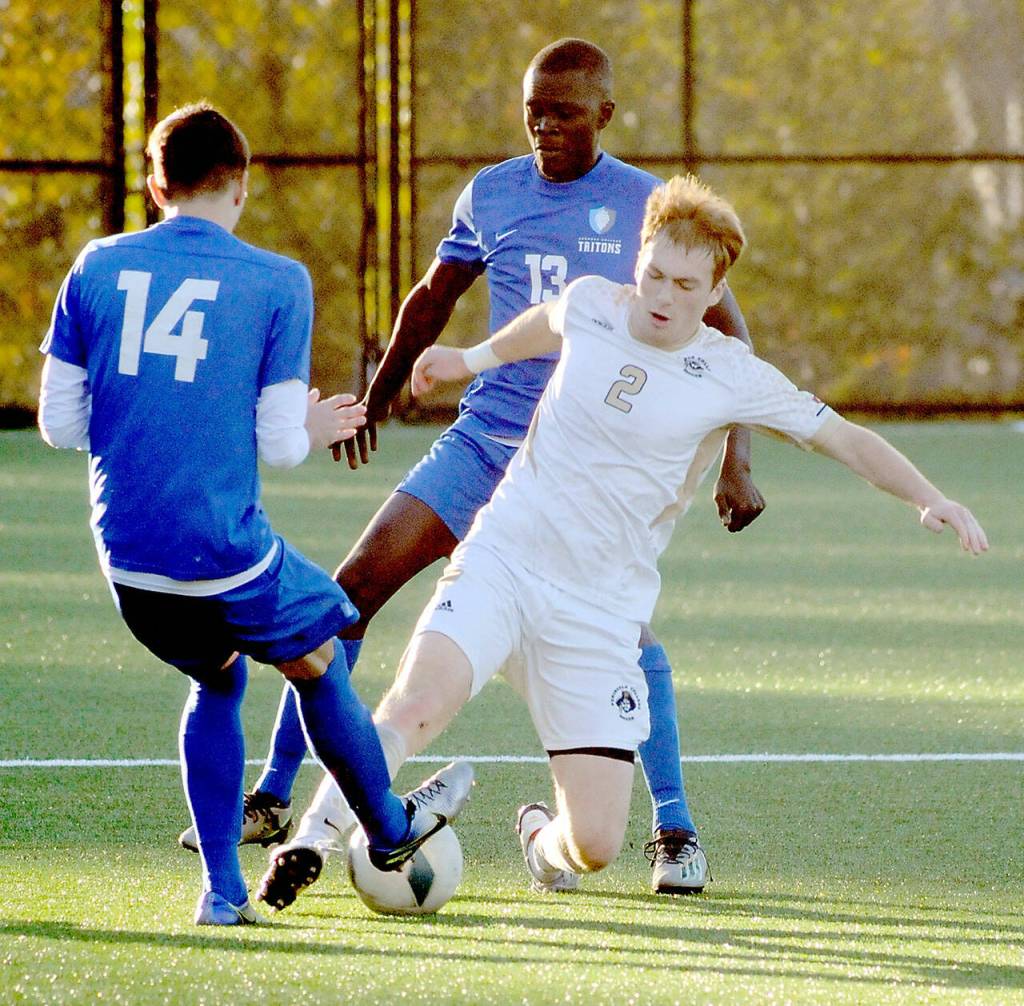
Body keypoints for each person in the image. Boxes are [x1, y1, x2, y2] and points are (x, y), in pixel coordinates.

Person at [350, 171, 989, 894]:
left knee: (591, 846)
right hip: (511, 556)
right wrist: (469, 360)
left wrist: (927, 497)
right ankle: (316, 835)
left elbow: (845, 439)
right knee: (406, 691)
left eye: (687, 285)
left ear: (715, 293)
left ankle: (541, 839)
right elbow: (547, 320)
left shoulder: (728, 370)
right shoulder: (596, 303)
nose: (663, 295)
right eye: (655, 274)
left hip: (600, 603)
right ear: (638, 260)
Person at [247, 37, 764, 911]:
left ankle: (673, 826)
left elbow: (731, 336)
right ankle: (272, 795)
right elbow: (431, 297)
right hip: (485, 444)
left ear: (604, 112)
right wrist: (377, 396)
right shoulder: (493, 192)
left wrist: (733, 460)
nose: (544, 126)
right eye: (533, 110)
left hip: (582, 471)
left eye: (563, 112)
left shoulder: (646, 206)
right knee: (345, 596)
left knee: (626, 641)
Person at [36, 101, 473, 926]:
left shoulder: (95, 266)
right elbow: (280, 446)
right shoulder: (276, 280)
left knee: (218, 677)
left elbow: (59, 424)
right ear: (239, 184)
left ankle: (221, 894)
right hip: (223, 554)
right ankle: (388, 829)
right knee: (323, 645)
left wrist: (160, 406)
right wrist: (308, 424)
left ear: (154, 185)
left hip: (128, 558)